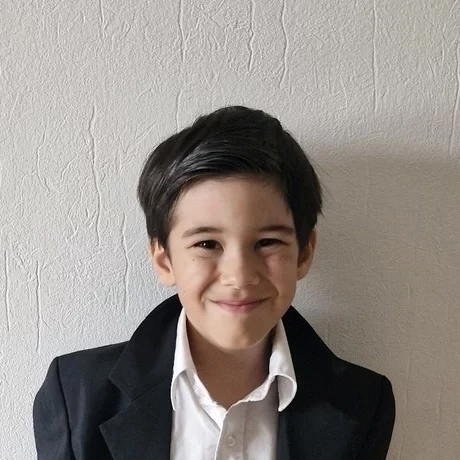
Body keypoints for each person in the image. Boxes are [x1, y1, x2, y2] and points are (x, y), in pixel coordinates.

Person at [33, 106, 395, 459]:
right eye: (207, 244)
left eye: (267, 242)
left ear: (303, 253)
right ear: (164, 261)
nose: (239, 276)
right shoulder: (77, 395)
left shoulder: (363, 404)